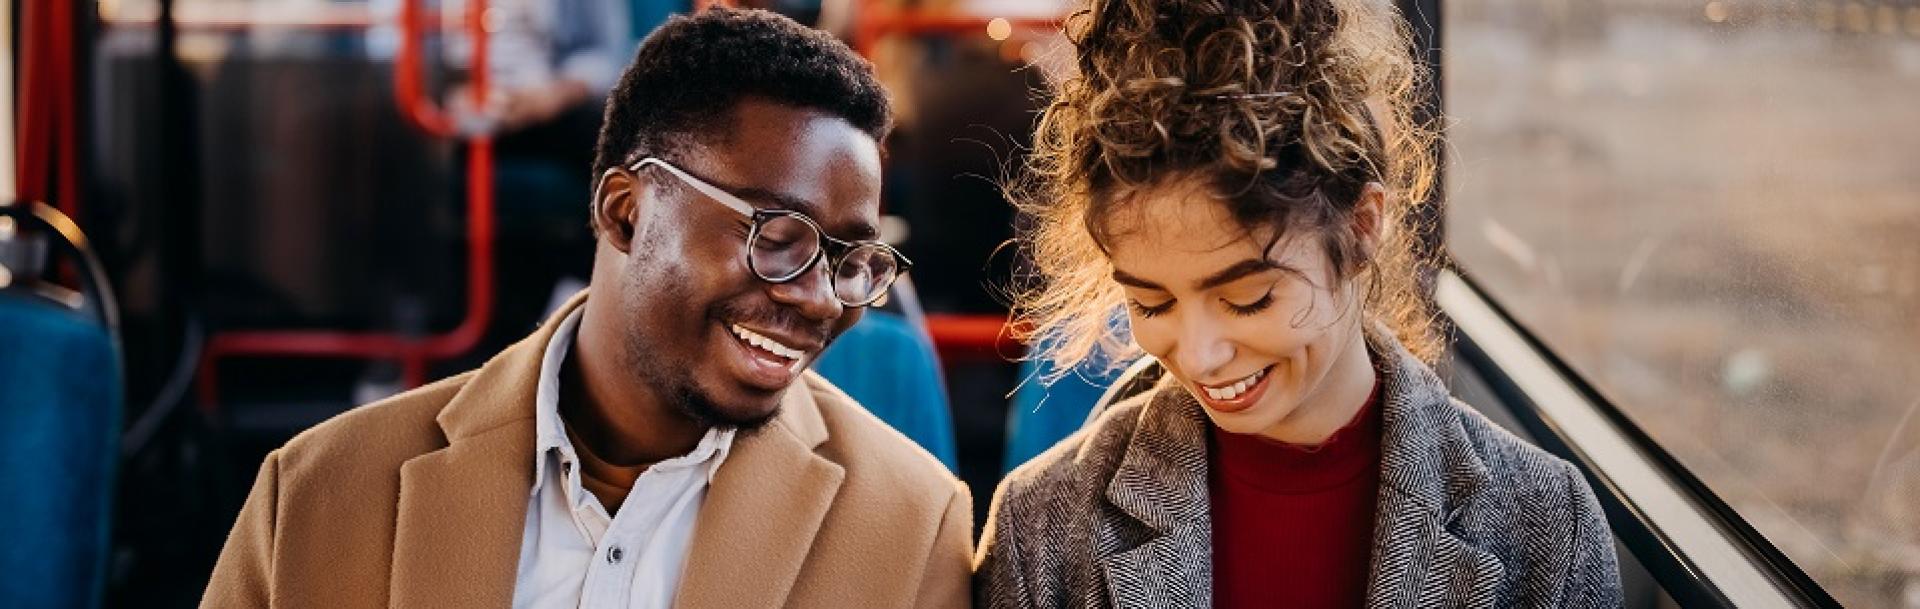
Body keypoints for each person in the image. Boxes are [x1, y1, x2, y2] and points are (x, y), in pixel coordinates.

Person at [202, 9, 972, 608]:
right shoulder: (319, 491)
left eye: (847, 259)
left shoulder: (910, 523)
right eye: (776, 236)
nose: (816, 297)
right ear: (626, 212)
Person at [974, 0, 1623, 606]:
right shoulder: (1042, 527)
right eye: (1151, 303)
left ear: (1365, 226)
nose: (1199, 354)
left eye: (1249, 299)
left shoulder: (1544, 521)